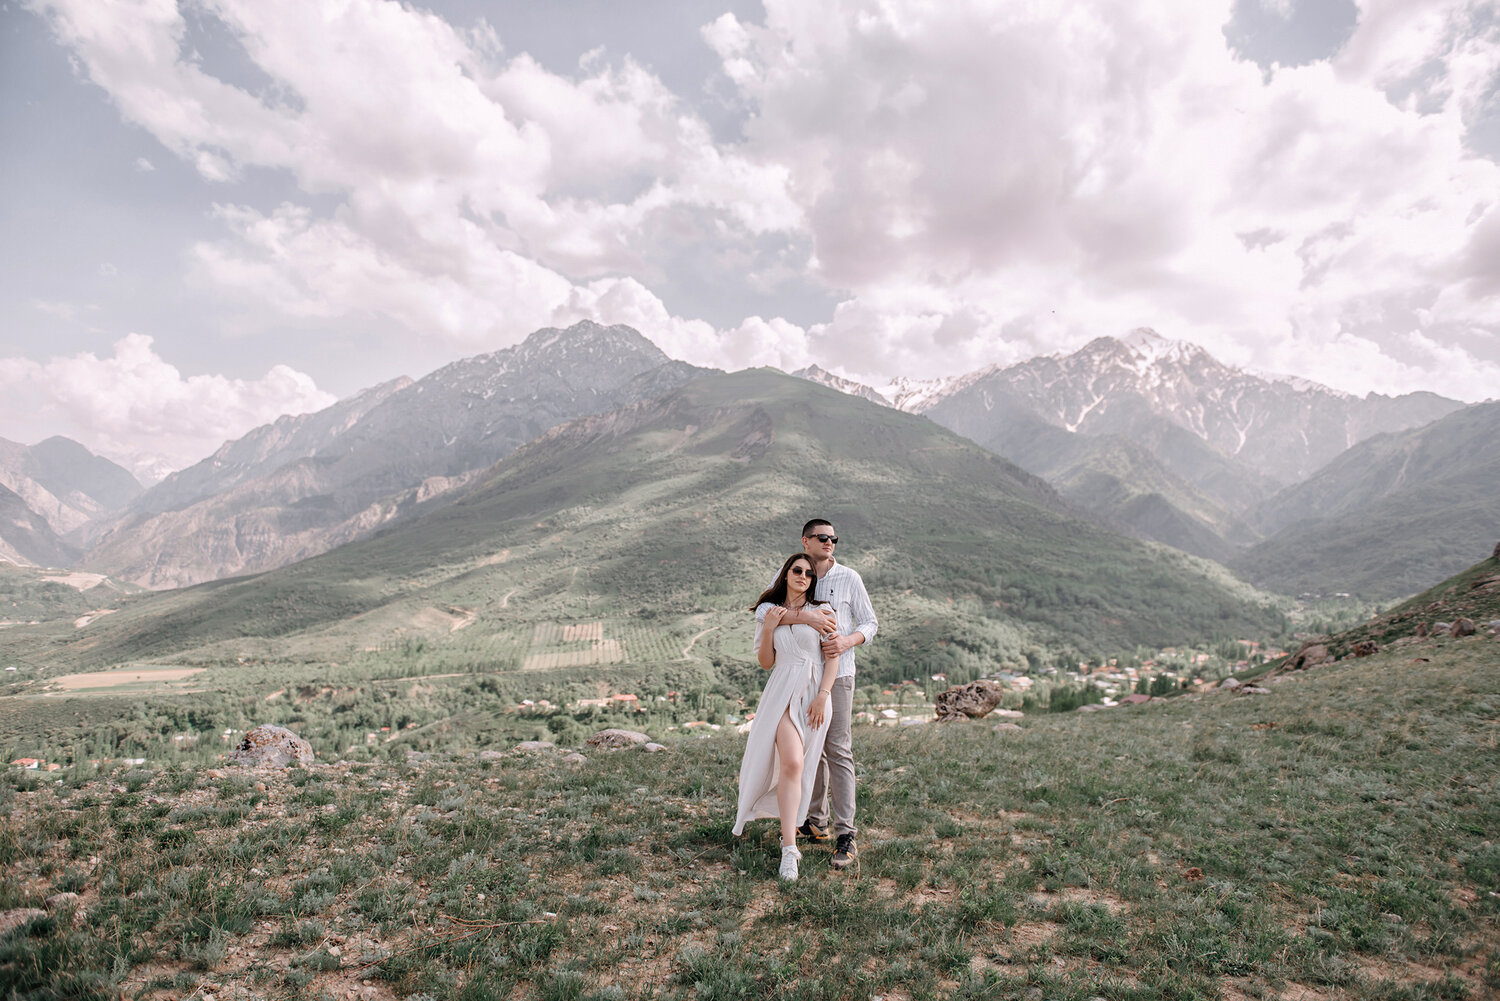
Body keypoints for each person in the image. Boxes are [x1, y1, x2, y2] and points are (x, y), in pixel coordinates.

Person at [755, 519, 877, 871]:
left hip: (837, 676)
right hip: (798, 680)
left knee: (836, 749)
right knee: (811, 749)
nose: (830, 543)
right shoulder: (797, 571)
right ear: (805, 541)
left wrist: (847, 640)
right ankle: (815, 821)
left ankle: (846, 834)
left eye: (834, 538)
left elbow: (870, 623)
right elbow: (765, 610)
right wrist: (805, 618)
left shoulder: (849, 578)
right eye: (823, 538)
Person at [732, 553, 841, 881]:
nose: (804, 576)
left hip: (814, 696)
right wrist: (770, 629)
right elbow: (766, 661)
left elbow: (832, 657)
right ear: (786, 573)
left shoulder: (825, 611)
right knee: (792, 763)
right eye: (797, 570)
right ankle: (789, 850)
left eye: (809, 573)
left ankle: (788, 831)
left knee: (803, 766)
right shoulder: (768, 611)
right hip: (781, 691)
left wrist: (823, 696)